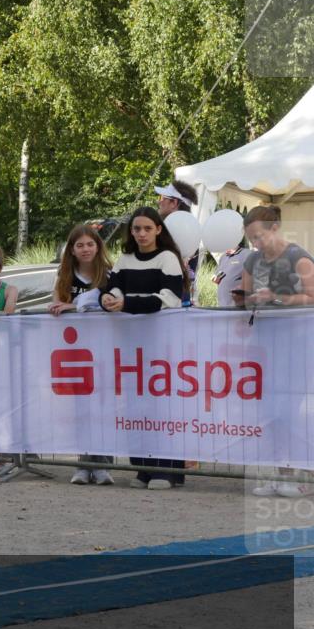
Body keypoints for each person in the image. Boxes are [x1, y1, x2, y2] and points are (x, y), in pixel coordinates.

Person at [101, 206, 188, 491]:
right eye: (136, 229)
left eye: (147, 228)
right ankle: (142, 467)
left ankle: (168, 469)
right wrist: (109, 299)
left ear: (158, 230)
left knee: (162, 406)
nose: (141, 234)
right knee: (135, 405)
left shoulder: (168, 259)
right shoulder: (124, 259)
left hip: (162, 344)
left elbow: (168, 299)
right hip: (129, 344)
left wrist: (127, 304)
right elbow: (113, 288)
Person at [234, 205, 314, 497]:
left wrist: (277, 298)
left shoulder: (298, 256)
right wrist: (243, 301)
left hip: (298, 345)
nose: (255, 243)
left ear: (275, 229)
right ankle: (277, 472)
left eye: (259, 236)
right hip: (266, 346)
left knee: (294, 412)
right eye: (251, 238)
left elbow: (312, 296)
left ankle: (302, 476)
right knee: (271, 412)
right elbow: (244, 294)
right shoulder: (252, 260)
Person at [49, 225, 115, 485]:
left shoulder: (109, 274)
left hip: (104, 348)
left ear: (97, 246)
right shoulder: (65, 275)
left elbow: (111, 304)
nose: (85, 249)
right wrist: (65, 307)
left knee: (103, 407)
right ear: (72, 250)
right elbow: (56, 303)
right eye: (80, 245)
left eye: (90, 244)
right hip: (75, 352)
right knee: (81, 408)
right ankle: (83, 463)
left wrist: (73, 306)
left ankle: (102, 465)